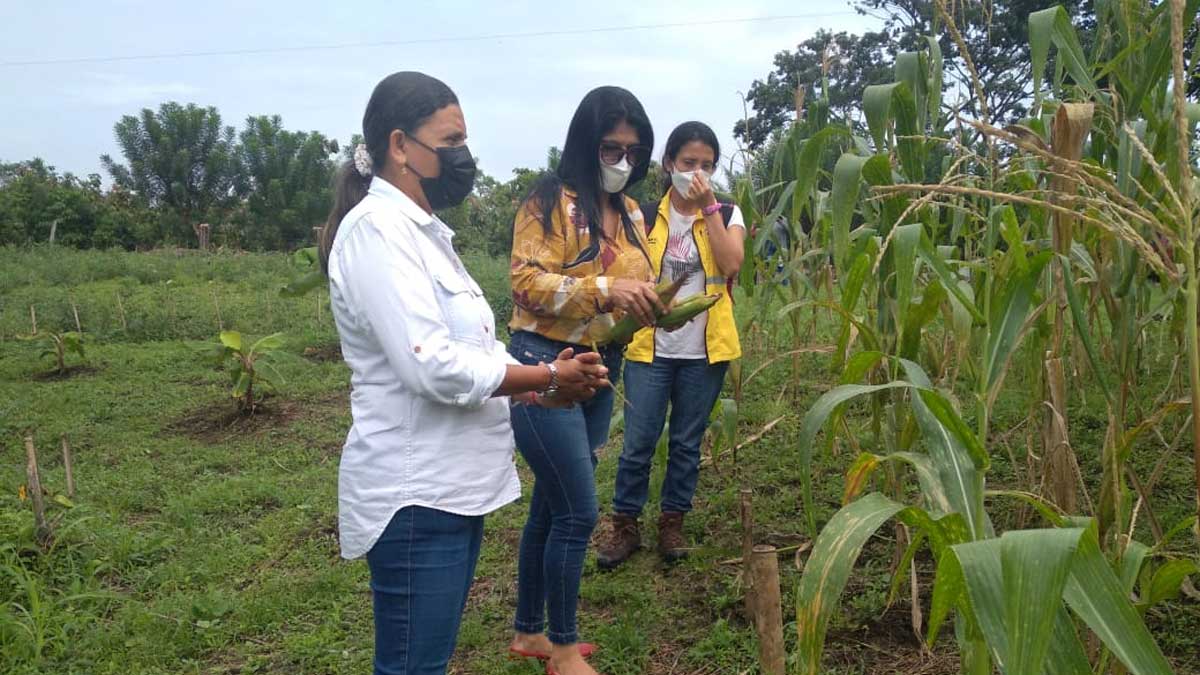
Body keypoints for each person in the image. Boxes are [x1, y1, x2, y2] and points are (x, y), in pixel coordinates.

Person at [320, 71, 609, 675]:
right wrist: (544, 379)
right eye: (451, 141)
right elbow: (431, 363)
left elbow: (471, 347)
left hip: (448, 488)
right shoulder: (378, 232)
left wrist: (540, 379)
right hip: (415, 494)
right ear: (401, 146)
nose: (464, 156)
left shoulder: (422, 234)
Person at [506, 86, 660, 675]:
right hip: (544, 361)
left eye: (633, 152)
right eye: (610, 148)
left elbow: (635, 284)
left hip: (600, 367)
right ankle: (564, 649)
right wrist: (605, 288)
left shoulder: (633, 213)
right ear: (586, 144)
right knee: (578, 512)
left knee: (551, 506)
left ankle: (530, 631)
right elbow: (525, 283)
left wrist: (653, 302)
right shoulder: (549, 202)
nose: (622, 161)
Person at [596, 121, 745, 569]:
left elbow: (731, 264)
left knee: (685, 443)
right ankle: (625, 525)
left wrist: (709, 207)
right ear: (668, 164)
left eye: (707, 165)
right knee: (637, 442)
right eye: (688, 162)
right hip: (649, 347)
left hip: (705, 349)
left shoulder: (727, 212)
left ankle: (672, 523)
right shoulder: (639, 214)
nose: (697, 172)